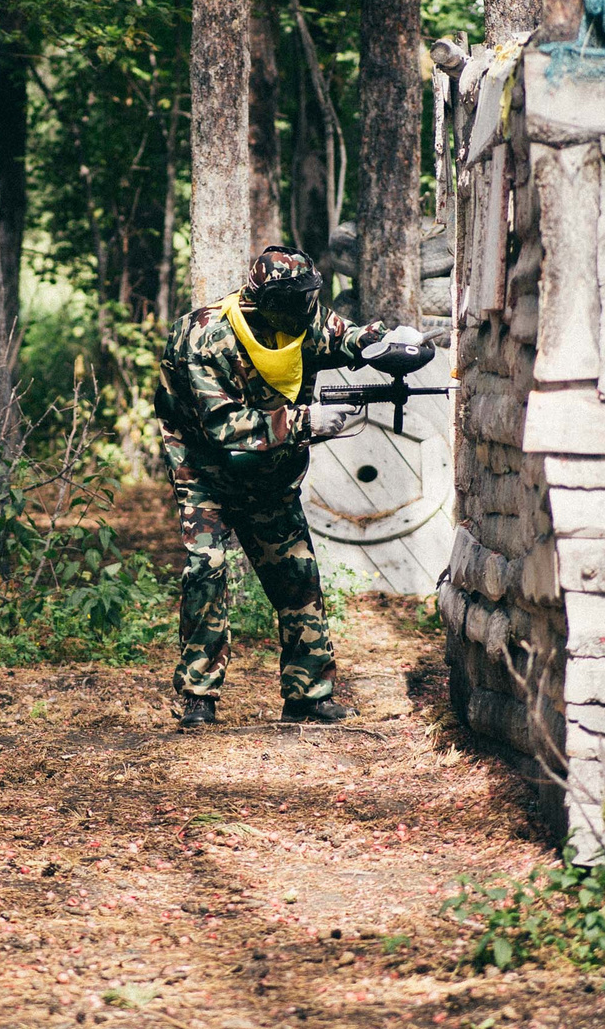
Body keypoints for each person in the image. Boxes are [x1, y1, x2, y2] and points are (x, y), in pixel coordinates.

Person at [152, 244, 414, 728]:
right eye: (291, 303)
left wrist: (388, 343)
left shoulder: (303, 314)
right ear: (259, 302)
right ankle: (198, 697)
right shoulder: (204, 338)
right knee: (206, 568)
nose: (302, 311)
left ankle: (308, 697)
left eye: (307, 300)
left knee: (296, 574)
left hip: (270, 471)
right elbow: (225, 426)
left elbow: (348, 336)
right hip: (203, 468)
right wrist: (307, 422)